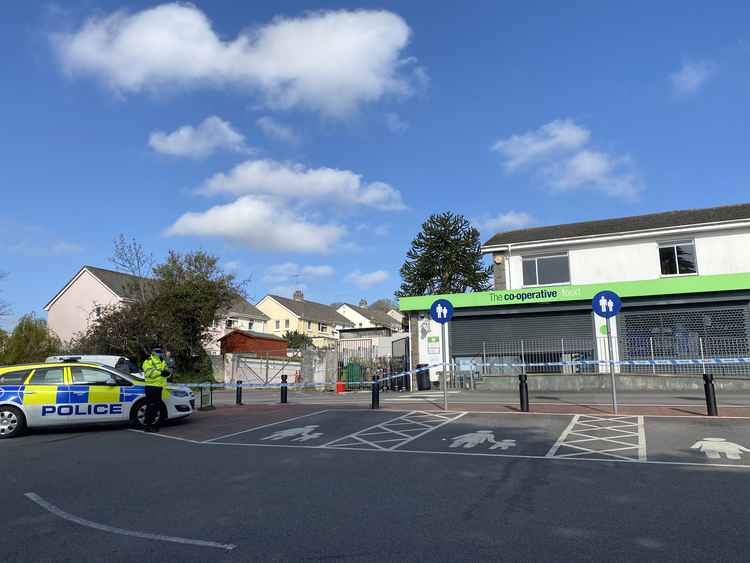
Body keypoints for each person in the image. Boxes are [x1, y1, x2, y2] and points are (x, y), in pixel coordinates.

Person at [141, 347, 171, 433]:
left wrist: (167, 373)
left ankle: (153, 425)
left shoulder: (162, 361)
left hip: (159, 387)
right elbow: (148, 373)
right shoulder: (148, 361)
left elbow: (166, 371)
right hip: (151, 387)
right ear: (153, 352)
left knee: (156, 407)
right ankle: (148, 426)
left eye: (160, 352)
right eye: (157, 352)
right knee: (151, 407)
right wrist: (161, 373)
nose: (159, 353)